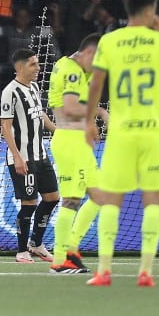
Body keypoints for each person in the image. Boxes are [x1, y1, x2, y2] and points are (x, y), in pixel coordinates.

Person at [84, 0, 159, 287]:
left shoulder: (110, 41)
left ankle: (103, 270)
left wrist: (90, 121)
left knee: (112, 200)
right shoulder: (158, 40)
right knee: (152, 199)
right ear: (150, 10)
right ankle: (146, 271)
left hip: (122, 131)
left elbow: (96, 85)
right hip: (153, 130)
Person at [47, 32, 107, 274]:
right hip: (70, 141)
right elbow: (71, 108)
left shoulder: (64, 63)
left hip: (74, 139)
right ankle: (60, 260)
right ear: (90, 53)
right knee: (71, 201)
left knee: (99, 196)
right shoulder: (72, 71)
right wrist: (100, 113)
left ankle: (70, 249)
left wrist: (88, 127)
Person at [0, 49, 59, 263]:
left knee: (52, 198)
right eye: (33, 64)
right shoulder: (10, 91)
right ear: (20, 68)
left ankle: (37, 243)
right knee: (29, 203)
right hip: (23, 157)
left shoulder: (34, 87)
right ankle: (21, 250)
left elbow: (39, 113)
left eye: (37, 63)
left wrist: (56, 130)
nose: (38, 68)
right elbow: (5, 127)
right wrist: (16, 157)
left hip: (41, 155)